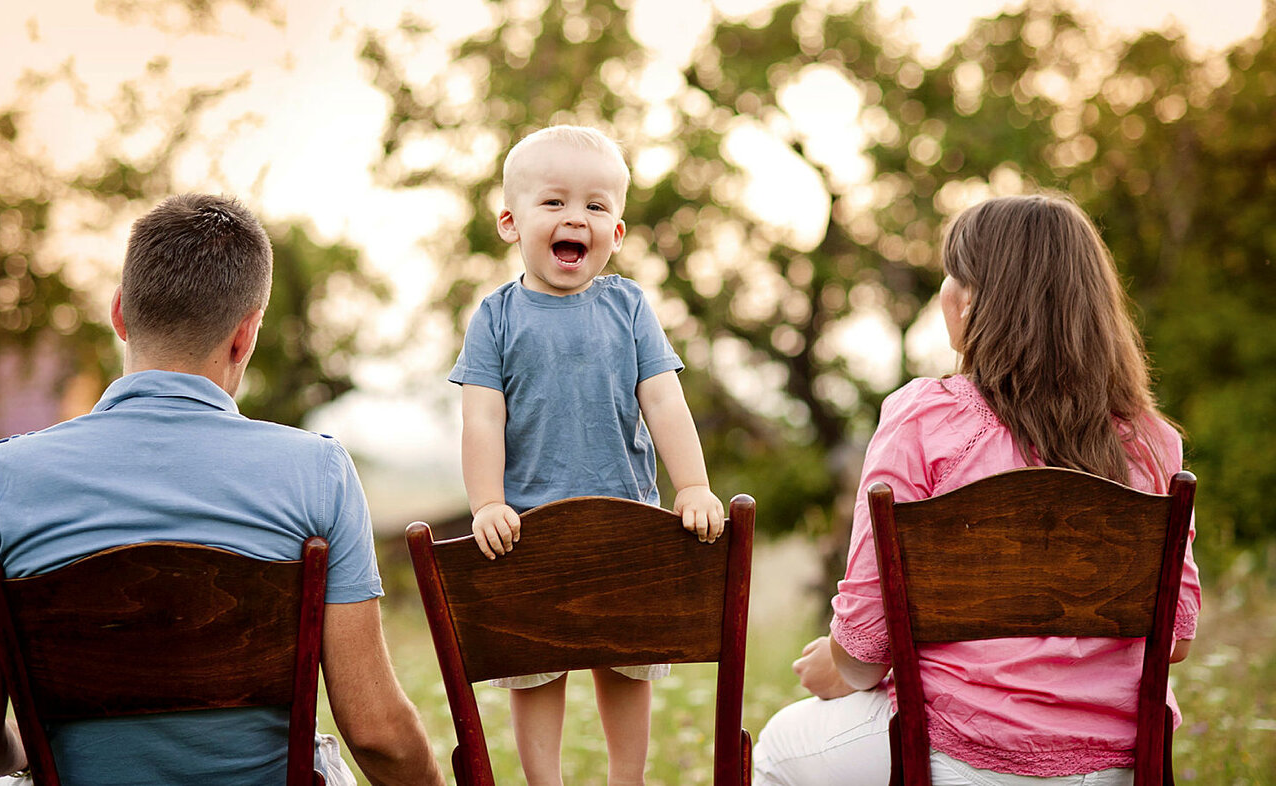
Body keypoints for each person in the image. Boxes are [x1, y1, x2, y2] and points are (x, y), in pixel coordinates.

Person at [0, 194, 444, 786]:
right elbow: (377, 732)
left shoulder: (0, 479)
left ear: (120, 314)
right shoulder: (318, 473)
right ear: (245, 335)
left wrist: (25, 752)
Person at [753, 193, 1202, 785]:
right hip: (1117, 761)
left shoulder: (925, 419)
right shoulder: (1152, 444)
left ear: (971, 301)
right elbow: (1175, 639)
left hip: (959, 748)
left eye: (950, 274)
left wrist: (841, 669)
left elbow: (865, 643)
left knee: (779, 750)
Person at [448, 125, 725, 785]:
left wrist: (692, 486)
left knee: (627, 662)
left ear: (618, 233)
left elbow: (664, 403)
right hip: (530, 527)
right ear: (512, 223)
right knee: (535, 667)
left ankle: (626, 779)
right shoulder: (497, 315)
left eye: (596, 207)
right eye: (555, 203)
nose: (576, 217)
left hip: (625, 517)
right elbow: (483, 416)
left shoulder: (628, 306)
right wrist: (487, 502)